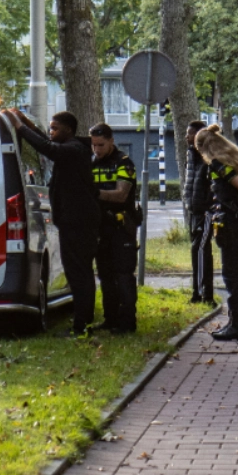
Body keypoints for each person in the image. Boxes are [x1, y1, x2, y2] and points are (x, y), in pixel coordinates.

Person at [4, 108, 101, 335]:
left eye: (55, 129)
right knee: (81, 272)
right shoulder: (73, 147)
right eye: (50, 128)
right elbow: (47, 140)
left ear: (68, 130)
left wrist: (19, 128)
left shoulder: (74, 150)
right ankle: (83, 321)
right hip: (77, 221)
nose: (51, 132)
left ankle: (81, 325)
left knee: (78, 273)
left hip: (77, 222)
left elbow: (47, 147)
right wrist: (25, 121)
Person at [194, 124, 238, 341]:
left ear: (205, 148)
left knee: (230, 274)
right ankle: (236, 321)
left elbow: (237, 183)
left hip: (230, 219)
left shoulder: (217, 163)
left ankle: (237, 324)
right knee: (234, 271)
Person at [89, 123, 139, 333]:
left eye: (101, 145)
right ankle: (110, 319)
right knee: (105, 275)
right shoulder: (92, 163)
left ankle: (127, 322)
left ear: (111, 141)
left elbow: (121, 195)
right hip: (102, 228)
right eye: (93, 145)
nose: (97, 150)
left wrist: (92, 192)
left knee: (124, 275)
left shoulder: (123, 163)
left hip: (121, 227)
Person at [182, 120, 215, 306]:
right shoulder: (191, 155)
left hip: (205, 211)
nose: (187, 136)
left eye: (190, 133)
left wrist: (209, 205)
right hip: (194, 210)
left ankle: (205, 295)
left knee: (201, 250)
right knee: (196, 251)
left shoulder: (208, 156)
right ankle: (197, 291)